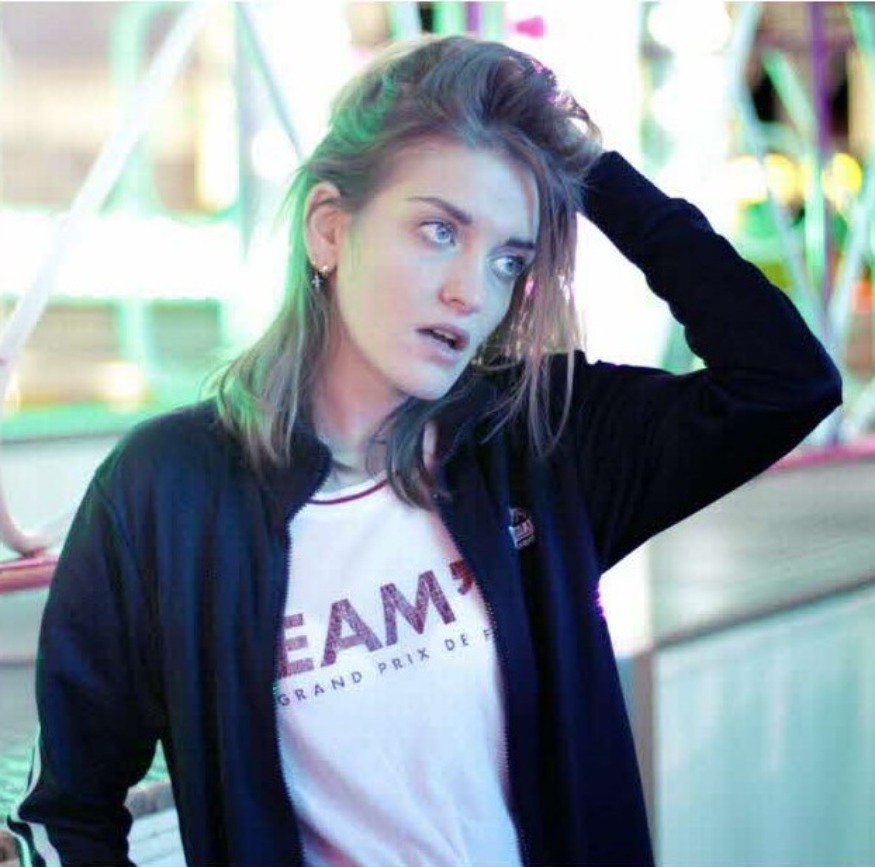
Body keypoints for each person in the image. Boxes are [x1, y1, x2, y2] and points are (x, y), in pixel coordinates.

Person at [7, 34, 840, 867]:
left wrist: (592, 169)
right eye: (439, 230)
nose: (470, 291)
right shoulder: (169, 488)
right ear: (328, 230)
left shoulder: (536, 442)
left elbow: (784, 380)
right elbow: (69, 811)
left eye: (508, 261)